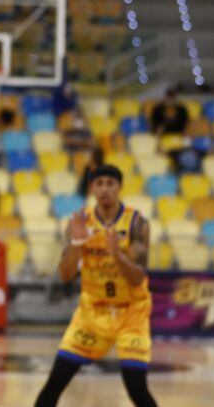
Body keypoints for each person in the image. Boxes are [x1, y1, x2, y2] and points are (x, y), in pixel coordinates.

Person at [34, 164, 157, 407]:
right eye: (99, 184)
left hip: (131, 312)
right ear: (92, 188)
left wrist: (117, 256)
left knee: (136, 387)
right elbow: (66, 274)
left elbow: (137, 279)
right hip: (92, 312)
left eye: (110, 184)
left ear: (119, 187)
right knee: (54, 383)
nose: (104, 190)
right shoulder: (80, 223)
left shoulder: (136, 223)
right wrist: (78, 243)